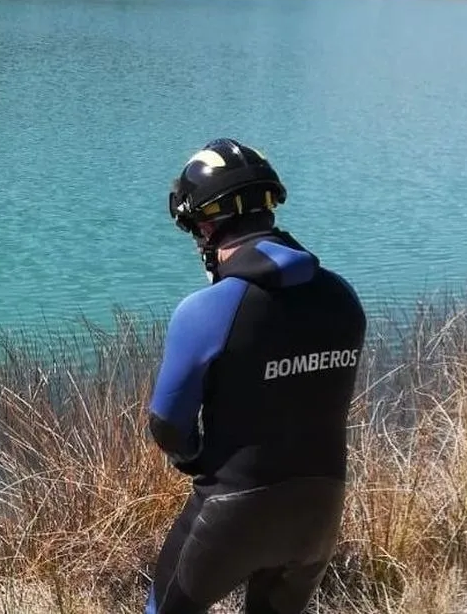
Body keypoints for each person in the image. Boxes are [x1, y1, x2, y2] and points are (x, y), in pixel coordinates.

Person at [145, 137, 367, 614]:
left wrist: (194, 457)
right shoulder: (343, 297)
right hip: (320, 507)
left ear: (205, 225)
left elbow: (167, 426)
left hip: (231, 510)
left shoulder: (207, 310)